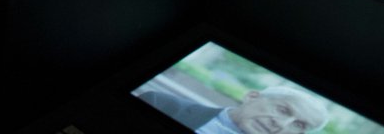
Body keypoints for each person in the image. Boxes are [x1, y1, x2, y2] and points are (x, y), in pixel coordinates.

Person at [138, 85, 328, 134]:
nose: (281, 124)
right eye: (283, 110)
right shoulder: (161, 104)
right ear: (251, 97)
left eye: (298, 124)